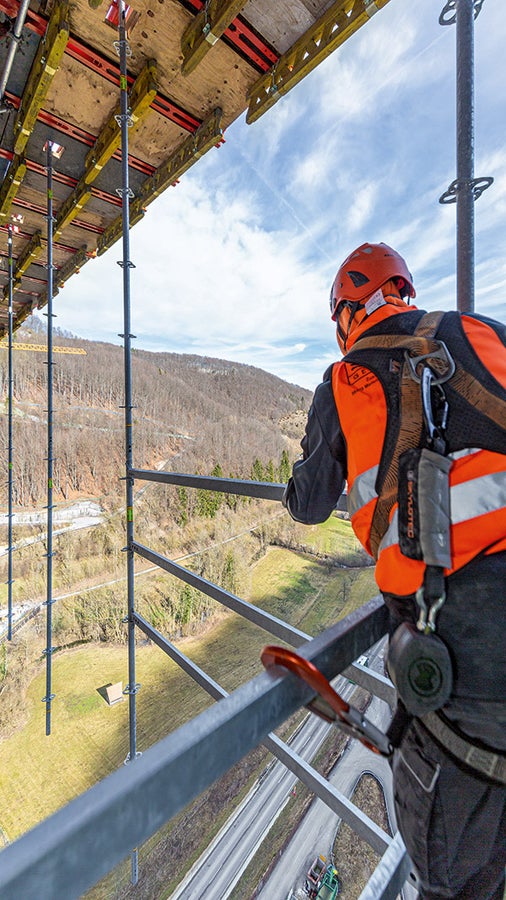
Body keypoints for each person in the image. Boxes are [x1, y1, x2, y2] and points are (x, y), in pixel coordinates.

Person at [283, 242, 506, 899]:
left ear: (349, 311)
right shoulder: (480, 332)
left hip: (461, 664)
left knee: (457, 875)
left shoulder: (346, 379)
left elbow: (308, 503)